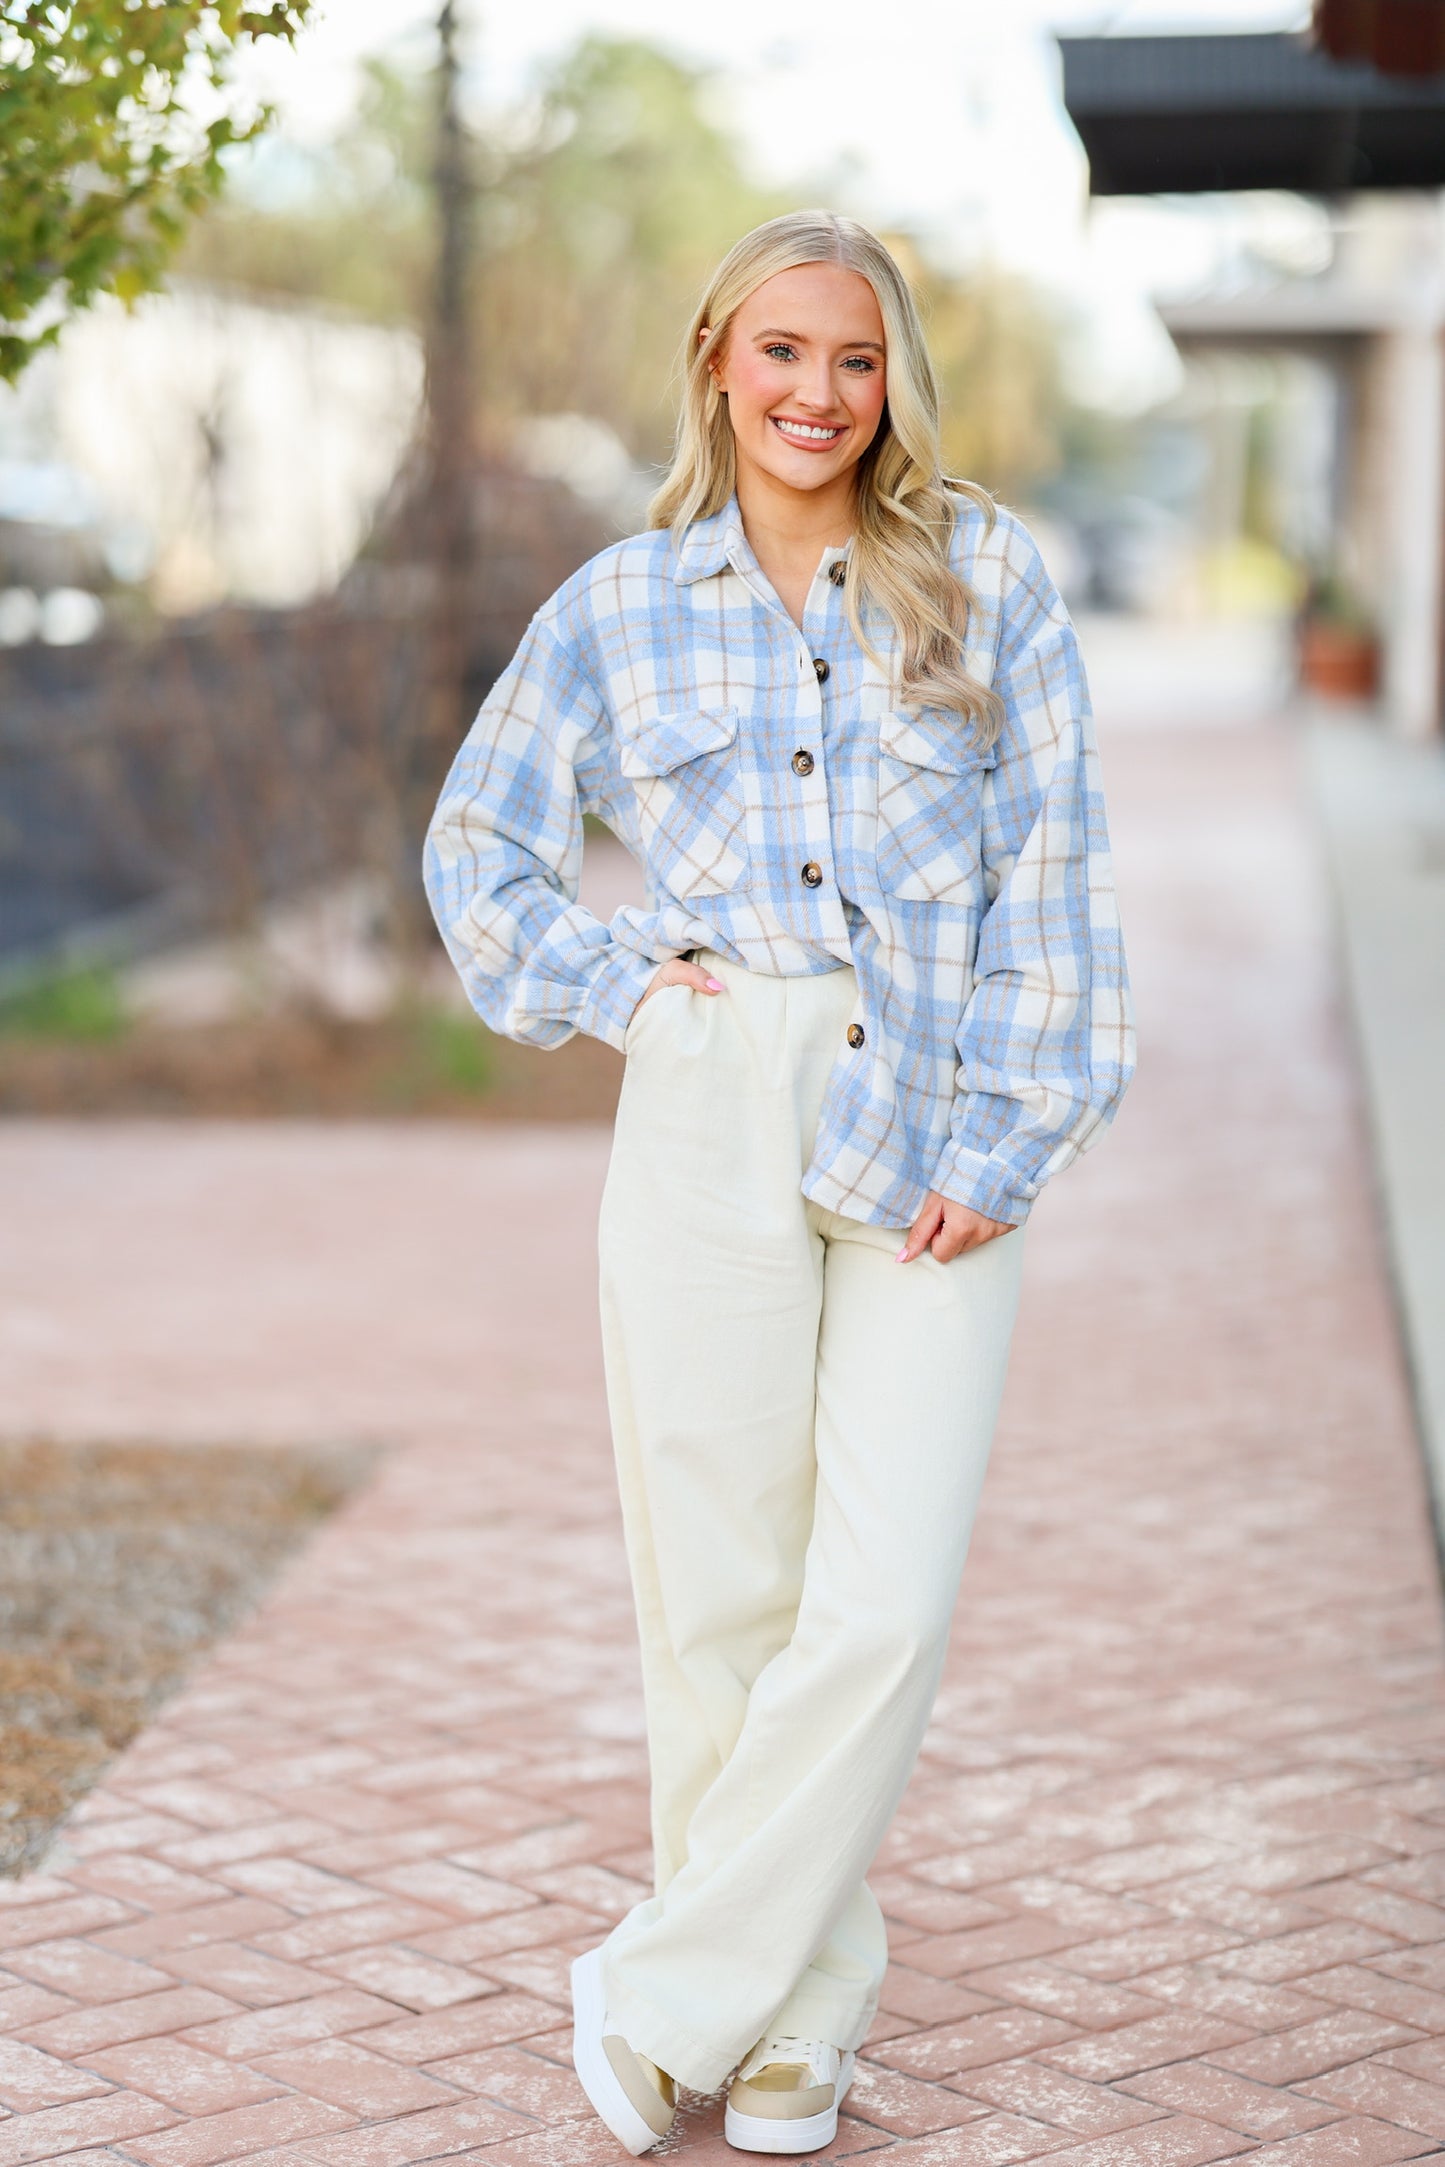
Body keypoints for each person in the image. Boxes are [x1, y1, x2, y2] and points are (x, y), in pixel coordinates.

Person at [424, 208, 1134, 2157]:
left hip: (932, 1104)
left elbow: (1054, 878)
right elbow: (481, 845)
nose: (818, 394)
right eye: (783, 352)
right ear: (717, 362)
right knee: (718, 1587)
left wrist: (1015, 1134)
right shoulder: (619, 603)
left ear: (895, 376)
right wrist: (621, 988)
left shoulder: (984, 578)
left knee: (883, 1595)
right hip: (711, 1091)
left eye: (857, 357)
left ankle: (661, 1985)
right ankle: (792, 2020)